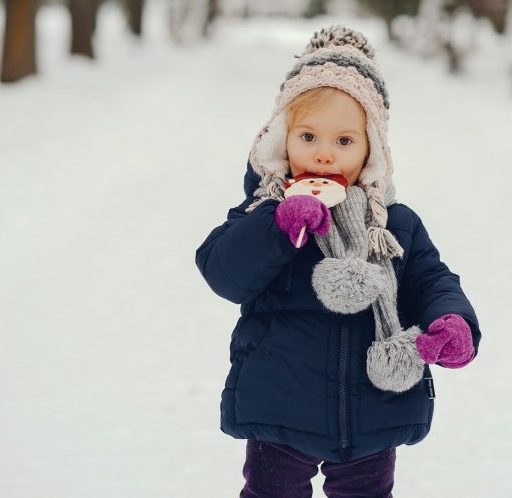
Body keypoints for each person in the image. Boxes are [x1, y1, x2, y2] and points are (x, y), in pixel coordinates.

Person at [195, 25, 481, 498]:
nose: (324, 155)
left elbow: (430, 279)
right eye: (308, 136)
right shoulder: (265, 214)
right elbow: (223, 272)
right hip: (279, 411)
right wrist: (278, 227)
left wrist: (452, 321)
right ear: (282, 140)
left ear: (372, 149)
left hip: (374, 409)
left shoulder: (394, 225)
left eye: (344, 141)